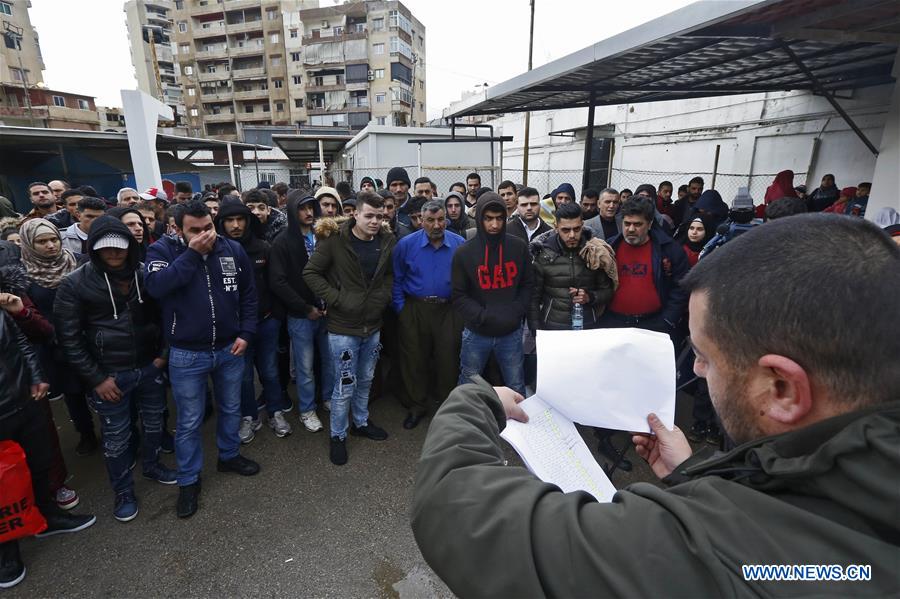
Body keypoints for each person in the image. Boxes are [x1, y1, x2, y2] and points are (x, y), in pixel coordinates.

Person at [411, 214, 900, 598]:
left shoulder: (716, 552)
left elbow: (454, 507)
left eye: (706, 357)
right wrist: (700, 473)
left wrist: (476, 400)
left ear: (783, 390)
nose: (699, 373)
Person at [54, 216, 176, 522]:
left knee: (153, 425)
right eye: (105, 249)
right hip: (109, 376)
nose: (113, 254)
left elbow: (167, 317)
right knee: (117, 438)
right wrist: (97, 379)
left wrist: (162, 357)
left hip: (149, 368)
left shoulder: (145, 274)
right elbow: (68, 340)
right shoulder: (74, 283)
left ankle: (152, 466)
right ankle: (123, 490)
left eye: (119, 248)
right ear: (93, 248)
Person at [144, 200, 260, 519]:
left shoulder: (232, 249)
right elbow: (156, 287)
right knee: (190, 420)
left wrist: (246, 333)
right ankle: (189, 479)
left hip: (229, 347)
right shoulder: (162, 252)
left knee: (231, 407)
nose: (204, 235)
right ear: (178, 229)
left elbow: (249, 294)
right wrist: (192, 254)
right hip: (186, 352)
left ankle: (229, 455)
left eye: (208, 227)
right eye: (194, 230)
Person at [0, 309, 97, 589]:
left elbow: (20, 342)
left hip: (25, 403)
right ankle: (7, 550)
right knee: (3, 484)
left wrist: (36, 375)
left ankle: (47, 516)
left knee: (41, 464)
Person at [303, 191, 395, 466]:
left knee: (366, 378)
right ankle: (338, 436)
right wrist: (337, 298)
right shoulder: (335, 241)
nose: (375, 222)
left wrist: (383, 297)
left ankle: (361, 423)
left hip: (372, 325)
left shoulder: (387, 241)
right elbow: (310, 273)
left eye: (380, 216)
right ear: (354, 213)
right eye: (369, 215)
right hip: (343, 328)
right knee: (344, 384)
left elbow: (389, 275)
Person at [215, 198, 291, 442]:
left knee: (269, 371)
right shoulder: (216, 251)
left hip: (267, 321)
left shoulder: (263, 248)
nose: (236, 225)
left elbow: (276, 283)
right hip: (235, 330)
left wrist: (277, 317)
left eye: (240, 220)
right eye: (230, 220)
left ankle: (276, 411)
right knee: (244, 376)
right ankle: (249, 416)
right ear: (221, 223)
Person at [392, 200, 465, 430]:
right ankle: (417, 406)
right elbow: (396, 279)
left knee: (448, 360)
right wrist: (401, 310)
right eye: (431, 220)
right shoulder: (405, 245)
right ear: (420, 221)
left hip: (449, 311)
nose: (436, 225)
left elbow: (466, 281)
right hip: (415, 309)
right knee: (415, 359)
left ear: (447, 219)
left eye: (441, 219)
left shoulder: (459, 244)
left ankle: (447, 410)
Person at [452, 192, 533, 396]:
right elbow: (459, 295)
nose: (494, 225)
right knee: (468, 385)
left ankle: (518, 427)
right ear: (480, 218)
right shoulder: (464, 253)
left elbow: (527, 285)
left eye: (499, 218)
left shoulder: (518, 247)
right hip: (476, 332)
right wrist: (482, 316)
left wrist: (514, 312)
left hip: (511, 333)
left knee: (515, 384)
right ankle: (466, 425)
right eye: (488, 218)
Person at [269, 192, 331, 433]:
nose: (308, 213)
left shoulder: (323, 236)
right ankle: (307, 409)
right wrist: (305, 308)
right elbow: (278, 282)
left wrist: (327, 302)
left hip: (326, 312)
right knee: (304, 368)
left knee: (328, 362)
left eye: (311, 207)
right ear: (293, 211)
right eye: (302, 208)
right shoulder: (282, 241)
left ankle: (326, 398)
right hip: (301, 315)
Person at [602, 197, 689, 336]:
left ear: (649, 224)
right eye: (627, 223)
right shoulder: (609, 248)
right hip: (613, 324)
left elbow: (682, 287)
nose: (630, 229)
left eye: (637, 224)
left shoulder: (669, 249)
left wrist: (667, 320)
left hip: (653, 325)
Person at [528, 202, 616, 331]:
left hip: (587, 325)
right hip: (552, 326)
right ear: (556, 227)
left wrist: (590, 297)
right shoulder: (543, 255)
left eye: (576, 229)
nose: (572, 235)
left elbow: (608, 291)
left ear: (582, 225)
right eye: (565, 230)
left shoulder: (594, 252)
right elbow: (533, 298)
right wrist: (535, 331)